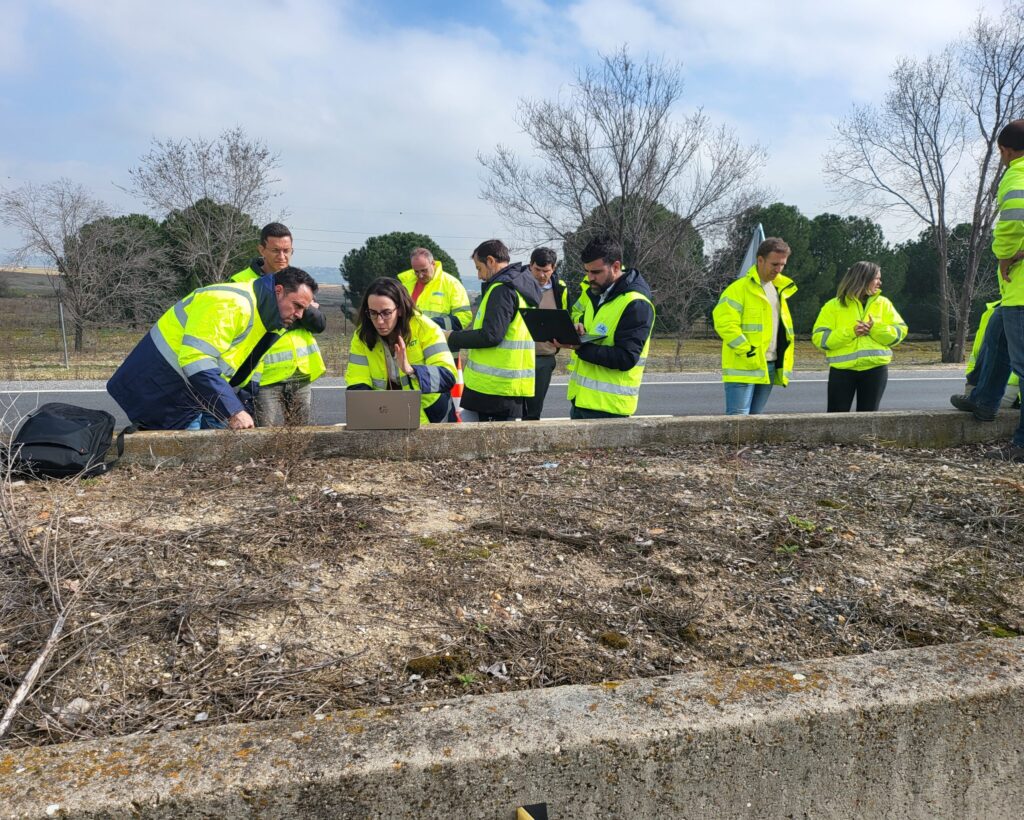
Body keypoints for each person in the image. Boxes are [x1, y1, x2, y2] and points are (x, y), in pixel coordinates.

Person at [107, 267, 318, 430]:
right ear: (278, 290)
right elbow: (196, 359)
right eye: (297, 305)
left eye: (304, 309)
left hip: (200, 393)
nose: (300, 315)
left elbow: (247, 367)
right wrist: (234, 409)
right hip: (166, 388)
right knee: (188, 465)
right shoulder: (232, 303)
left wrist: (241, 406)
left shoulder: (268, 319)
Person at [230, 223, 326, 426]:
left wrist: (302, 310)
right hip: (264, 377)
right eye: (275, 251)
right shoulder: (240, 282)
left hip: (300, 372)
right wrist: (301, 314)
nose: (282, 257)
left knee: (300, 437)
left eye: (286, 251)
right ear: (261, 249)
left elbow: (319, 324)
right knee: (263, 437)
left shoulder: (299, 281)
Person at [553, 236, 655, 419]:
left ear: (616, 267)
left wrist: (581, 347)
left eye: (596, 272)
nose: (589, 278)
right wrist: (578, 329)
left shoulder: (636, 304)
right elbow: (595, 330)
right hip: (581, 401)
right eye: (587, 272)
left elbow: (626, 358)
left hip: (610, 409)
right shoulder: (597, 294)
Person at [445, 239, 542, 422]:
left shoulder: (502, 289)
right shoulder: (520, 285)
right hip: (506, 387)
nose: (480, 275)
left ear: (490, 261)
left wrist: (451, 337)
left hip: (493, 389)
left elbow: (491, 335)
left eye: (478, 268)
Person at [344, 277, 457, 424]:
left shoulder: (426, 328)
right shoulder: (362, 336)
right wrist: (372, 415)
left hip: (430, 416)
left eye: (386, 313)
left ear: (400, 310)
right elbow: (356, 382)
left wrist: (411, 370)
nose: (379, 321)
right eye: (373, 313)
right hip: (384, 415)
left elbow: (447, 376)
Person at [712, 237, 797, 415]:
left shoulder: (780, 289)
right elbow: (724, 323)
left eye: (782, 265)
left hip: (770, 364)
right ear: (760, 260)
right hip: (743, 365)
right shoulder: (738, 289)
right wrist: (747, 349)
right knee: (737, 424)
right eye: (774, 264)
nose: (779, 269)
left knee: (756, 421)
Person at [812, 261, 907, 412]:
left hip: (875, 370)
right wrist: (851, 332)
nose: (880, 282)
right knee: (836, 419)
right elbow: (820, 339)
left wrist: (873, 329)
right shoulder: (833, 306)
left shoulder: (884, 304)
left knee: (868, 420)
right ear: (863, 279)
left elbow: (899, 333)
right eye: (876, 278)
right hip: (842, 371)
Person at [983, 119, 1024, 462]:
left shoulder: (1016, 173)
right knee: (997, 334)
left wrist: (1005, 257)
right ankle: (982, 399)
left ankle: (1022, 444)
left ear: (1005, 150)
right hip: (1014, 296)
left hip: (1021, 291)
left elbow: (1011, 221)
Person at [523, 247, 569, 420]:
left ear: (554, 268)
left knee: (534, 412)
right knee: (516, 410)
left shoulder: (560, 289)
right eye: (538, 270)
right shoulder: (518, 286)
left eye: (546, 271)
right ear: (530, 266)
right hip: (519, 356)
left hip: (544, 357)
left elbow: (565, 317)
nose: (542, 275)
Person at [397, 247, 472, 331]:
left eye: (424, 270)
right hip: (411, 340)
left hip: (440, 340)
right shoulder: (404, 285)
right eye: (416, 271)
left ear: (433, 263)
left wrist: (432, 325)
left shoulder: (452, 284)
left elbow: (464, 317)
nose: (420, 275)